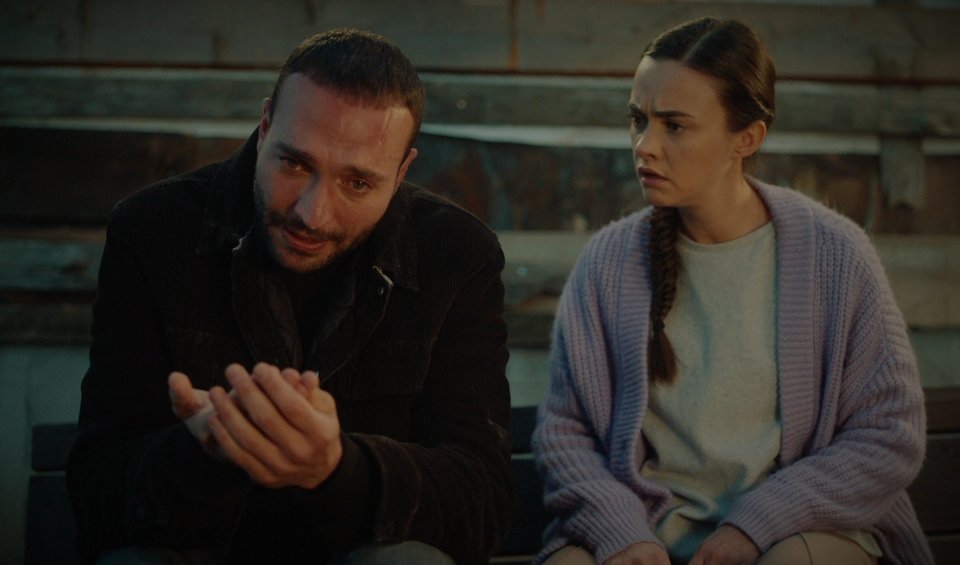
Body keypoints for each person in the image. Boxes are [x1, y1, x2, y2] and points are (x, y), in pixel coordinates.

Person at [66, 28, 514, 565]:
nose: (311, 214)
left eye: (357, 183)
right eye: (295, 163)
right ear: (264, 126)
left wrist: (340, 469)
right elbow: (95, 490)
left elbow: (481, 503)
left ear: (401, 172)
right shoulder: (152, 231)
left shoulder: (458, 255)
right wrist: (203, 454)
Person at [531, 16, 932, 565]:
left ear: (747, 138)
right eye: (638, 120)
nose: (645, 146)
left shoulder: (834, 255)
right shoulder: (607, 264)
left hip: (795, 531)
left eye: (675, 126)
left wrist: (757, 525)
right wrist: (622, 531)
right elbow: (565, 432)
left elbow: (888, 433)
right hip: (649, 537)